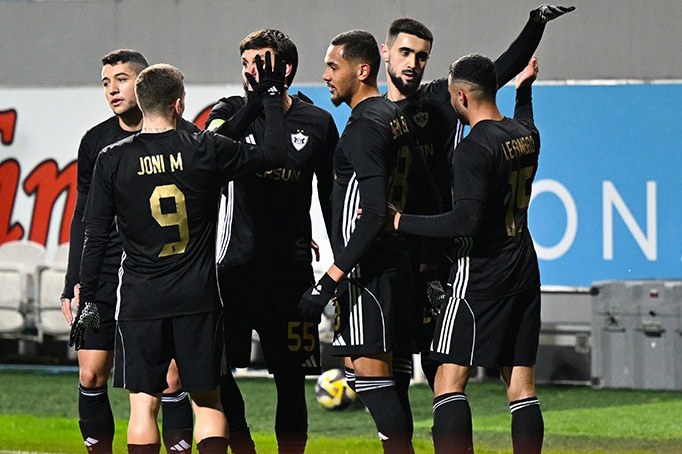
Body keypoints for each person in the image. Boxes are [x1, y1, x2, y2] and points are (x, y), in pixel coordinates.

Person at [69, 57, 287, 453]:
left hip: (139, 299)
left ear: (141, 100)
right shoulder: (205, 148)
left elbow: (95, 233)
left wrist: (88, 298)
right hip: (197, 298)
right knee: (207, 402)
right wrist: (269, 99)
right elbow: (274, 153)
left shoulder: (112, 158)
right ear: (179, 103)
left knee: (142, 406)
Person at [379, 4, 575, 391]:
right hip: (395, 251)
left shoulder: (442, 98)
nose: (413, 63)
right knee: (391, 363)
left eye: (422, 56)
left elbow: (501, 67)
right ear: (385, 53)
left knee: (441, 364)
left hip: (439, 252)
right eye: (405, 52)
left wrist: (535, 23)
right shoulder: (373, 115)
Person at [390, 54, 543, 454]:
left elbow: (464, 222)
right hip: (523, 269)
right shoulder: (525, 135)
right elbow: (525, 119)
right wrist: (524, 90)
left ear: (461, 96)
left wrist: (400, 221)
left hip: (480, 275)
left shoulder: (473, 148)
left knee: (448, 380)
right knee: (521, 385)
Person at [204, 29, 339, 454]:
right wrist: (258, 102)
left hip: (290, 276)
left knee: (291, 380)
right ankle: (242, 444)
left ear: (287, 68)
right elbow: (209, 151)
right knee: (216, 372)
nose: (251, 72)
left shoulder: (318, 122)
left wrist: (339, 266)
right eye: (245, 64)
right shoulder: (228, 111)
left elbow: (330, 199)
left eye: (260, 64)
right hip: (233, 273)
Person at [60, 49, 198, 454]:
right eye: (106, 82)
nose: (112, 90)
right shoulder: (95, 142)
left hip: (158, 273)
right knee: (90, 372)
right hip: (103, 271)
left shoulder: (184, 136)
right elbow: (82, 215)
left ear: (143, 83)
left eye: (121, 79)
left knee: (171, 379)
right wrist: (73, 280)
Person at [298, 30, 419, 453]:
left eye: (334, 67)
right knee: (373, 374)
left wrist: (329, 280)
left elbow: (372, 215)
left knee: (370, 378)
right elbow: (422, 189)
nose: (326, 75)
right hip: (391, 266)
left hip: (370, 271)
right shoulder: (393, 115)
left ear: (362, 70)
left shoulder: (365, 126)